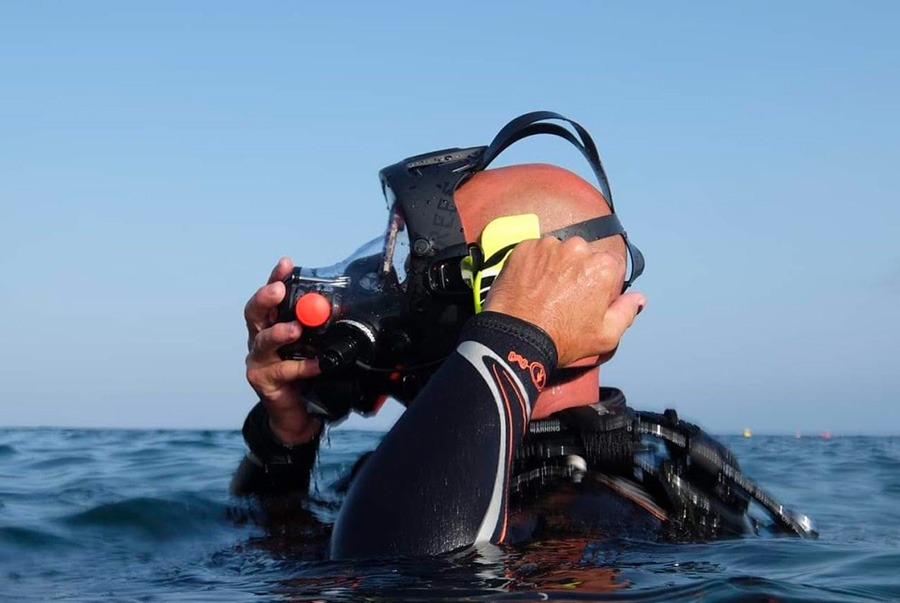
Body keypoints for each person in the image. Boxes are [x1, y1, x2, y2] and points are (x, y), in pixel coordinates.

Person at [234, 113, 814, 558]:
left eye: (411, 268)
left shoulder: (599, 519)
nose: (387, 291)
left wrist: (510, 340)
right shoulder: (404, 474)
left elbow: (403, 581)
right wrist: (287, 438)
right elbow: (266, 547)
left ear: (506, 288)